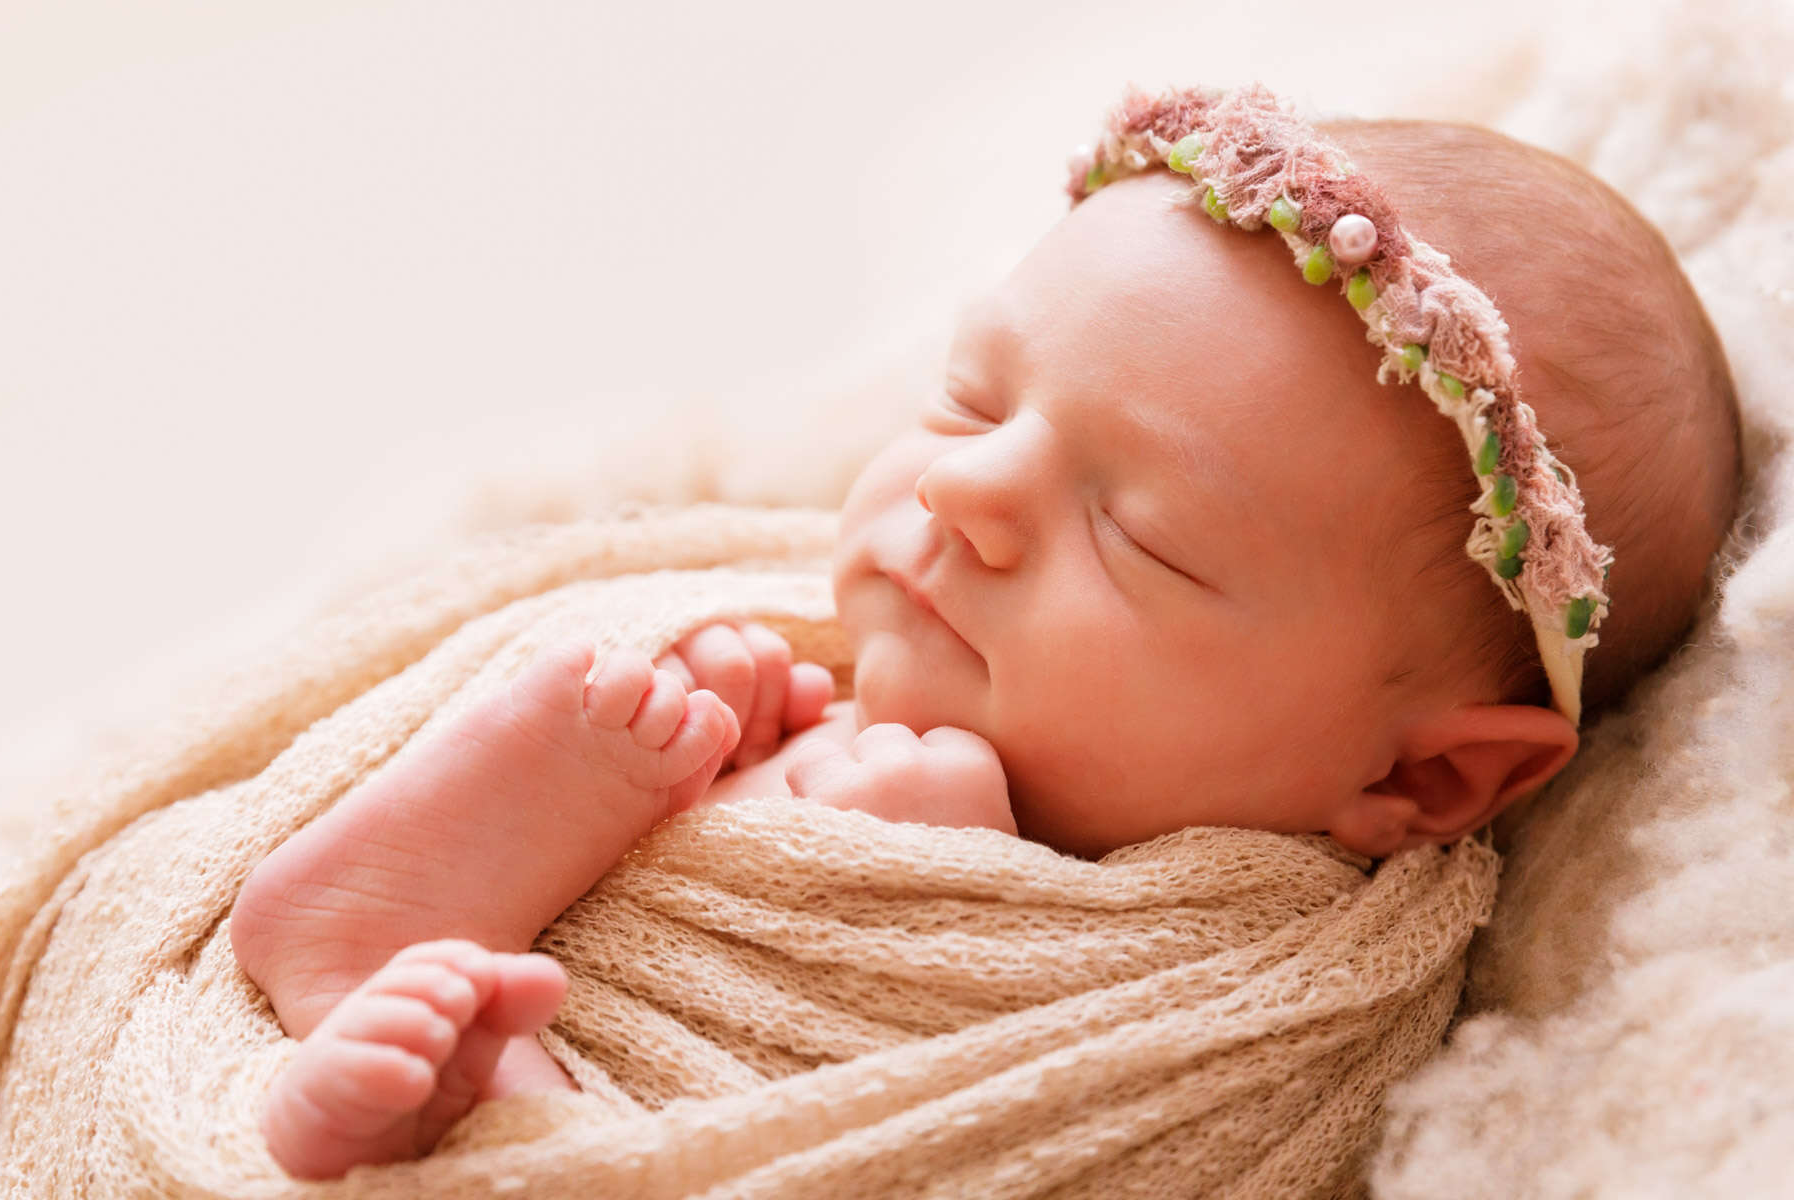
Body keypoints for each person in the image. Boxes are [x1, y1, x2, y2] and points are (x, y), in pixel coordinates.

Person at [227, 85, 1740, 1179]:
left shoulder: (1264, 996)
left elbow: (1037, 1145)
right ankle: (389, 921)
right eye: (973, 399)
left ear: (1428, 786)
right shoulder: (781, 667)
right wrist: (816, 834)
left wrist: (925, 889)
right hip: (531, 975)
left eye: (1138, 533)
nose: (961, 493)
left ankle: (492, 1117)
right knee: (648, 701)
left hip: (675, 1113)